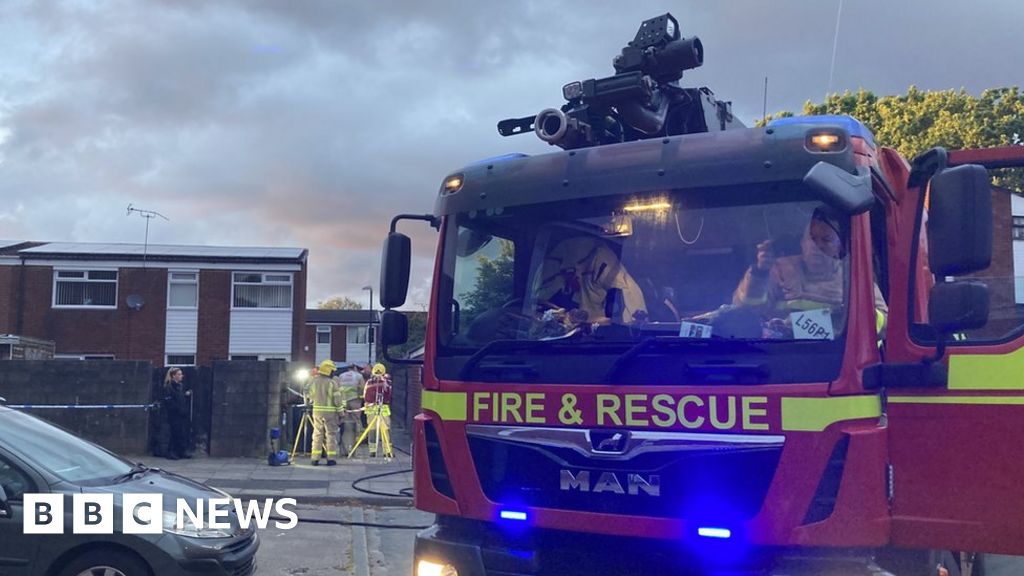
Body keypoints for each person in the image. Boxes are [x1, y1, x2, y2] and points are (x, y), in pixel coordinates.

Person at [732, 206, 887, 337]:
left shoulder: (856, 278)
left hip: (836, 356)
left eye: (826, 240)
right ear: (802, 243)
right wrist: (760, 273)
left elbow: (885, 325)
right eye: (811, 239)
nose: (815, 247)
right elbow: (745, 312)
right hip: (780, 353)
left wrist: (841, 315)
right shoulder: (779, 269)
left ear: (839, 247)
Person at [307, 359, 344, 466]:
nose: (333, 372)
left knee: (317, 434)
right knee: (330, 435)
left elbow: (310, 396)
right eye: (332, 370)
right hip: (330, 413)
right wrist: (341, 414)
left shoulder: (314, 381)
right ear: (328, 371)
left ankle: (315, 458)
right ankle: (330, 458)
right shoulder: (332, 383)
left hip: (317, 412)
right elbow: (337, 400)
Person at [155, 367, 191, 460]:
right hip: (173, 415)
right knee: (174, 433)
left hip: (181, 414)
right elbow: (170, 402)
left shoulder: (180, 386)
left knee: (181, 433)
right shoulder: (169, 387)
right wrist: (178, 409)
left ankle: (181, 451)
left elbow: (180, 398)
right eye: (179, 374)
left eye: (181, 374)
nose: (181, 376)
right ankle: (171, 452)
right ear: (173, 376)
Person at [363, 362, 393, 457]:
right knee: (386, 430)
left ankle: (372, 451)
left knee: (372, 430)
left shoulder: (369, 382)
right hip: (383, 408)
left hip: (371, 409)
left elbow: (365, 395)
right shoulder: (387, 382)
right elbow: (389, 394)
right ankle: (387, 451)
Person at [337, 363, 365, 455]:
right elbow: (362, 388)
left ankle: (344, 442)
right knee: (356, 420)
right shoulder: (359, 376)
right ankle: (356, 440)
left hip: (343, 400)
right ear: (355, 368)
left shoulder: (341, 376)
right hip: (354, 400)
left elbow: (337, 388)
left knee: (344, 421)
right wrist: (361, 398)